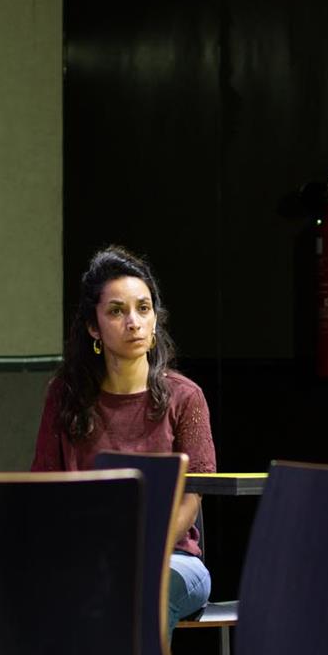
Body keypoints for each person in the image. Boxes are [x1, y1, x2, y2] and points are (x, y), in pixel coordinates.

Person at [31, 245, 215, 626]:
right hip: (89, 555)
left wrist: (140, 552)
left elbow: (192, 498)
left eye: (143, 308)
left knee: (143, 588)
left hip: (172, 558)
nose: (133, 322)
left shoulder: (185, 397)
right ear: (93, 327)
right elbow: (46, 488)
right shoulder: (66, 396)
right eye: (117, 311)